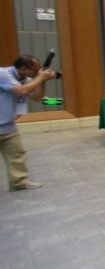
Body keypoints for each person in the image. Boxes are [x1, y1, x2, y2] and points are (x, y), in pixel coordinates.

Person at [1, 55, 56, 190]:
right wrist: (40, 77)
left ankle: (19, 182)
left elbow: (37, 98)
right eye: (35, 70)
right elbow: (22, 90)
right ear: (23, 68)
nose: (38, 72)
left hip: (9, 125)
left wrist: (43, 81)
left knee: (16, 154)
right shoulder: (3, 74)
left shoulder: (26, 79)